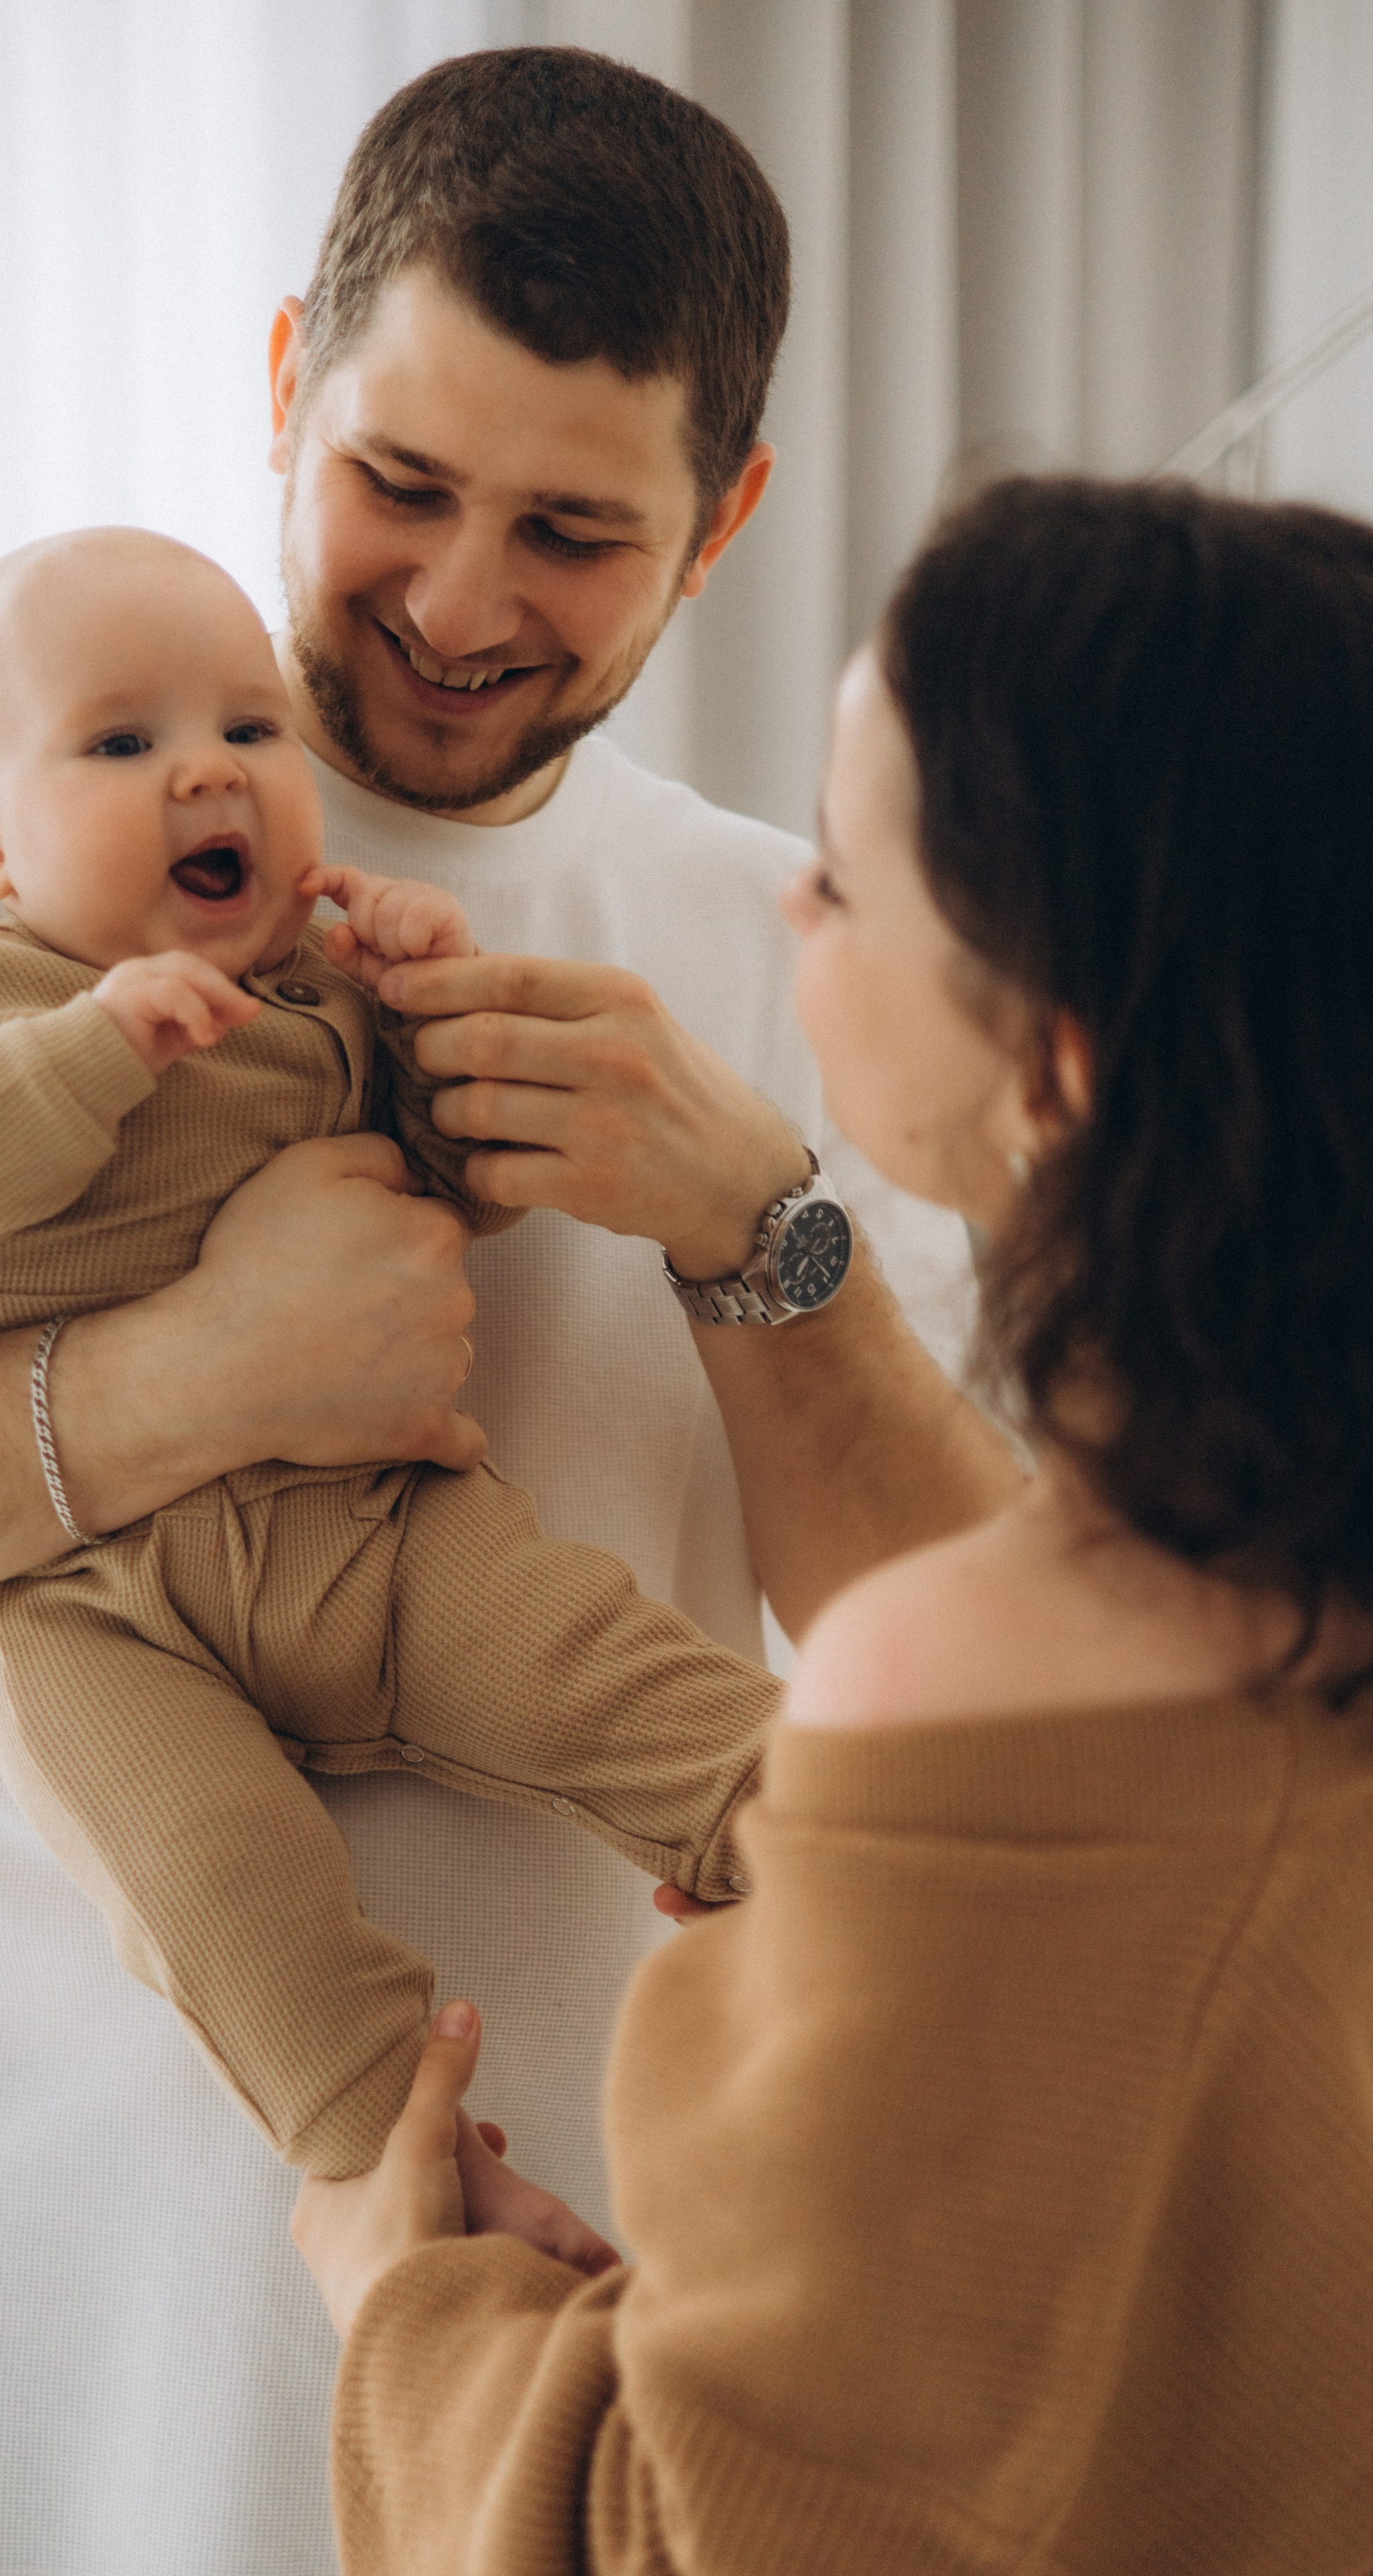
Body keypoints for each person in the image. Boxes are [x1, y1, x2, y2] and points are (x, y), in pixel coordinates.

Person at [0, 49, 1008, 2576]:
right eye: (400, 482)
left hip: (560, 2429)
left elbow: (963, 1639)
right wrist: (177, 1390)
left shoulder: (780, 933)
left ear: (721, 522)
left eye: (576, 530)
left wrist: (755, 1222)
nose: (466, 598)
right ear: (288, 379)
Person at [294, 475, 1373, 2576]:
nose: (793, 913)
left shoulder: (986, 1671)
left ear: (1053, 1071)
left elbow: (698, 2542)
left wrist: (408, 2306)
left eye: (852, 890)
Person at [0, 526, 777, 2204]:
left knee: (593, 1660)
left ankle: (809, 1836)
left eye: (249, 732)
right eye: (122, 745)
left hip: (372, 1528)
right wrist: (84, 1051)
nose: (208, 776)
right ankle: (406, 2161)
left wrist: (424, 1007)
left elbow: (456, 1198)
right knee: (208, 1883)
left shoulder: (318, 992)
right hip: (89, 1597)